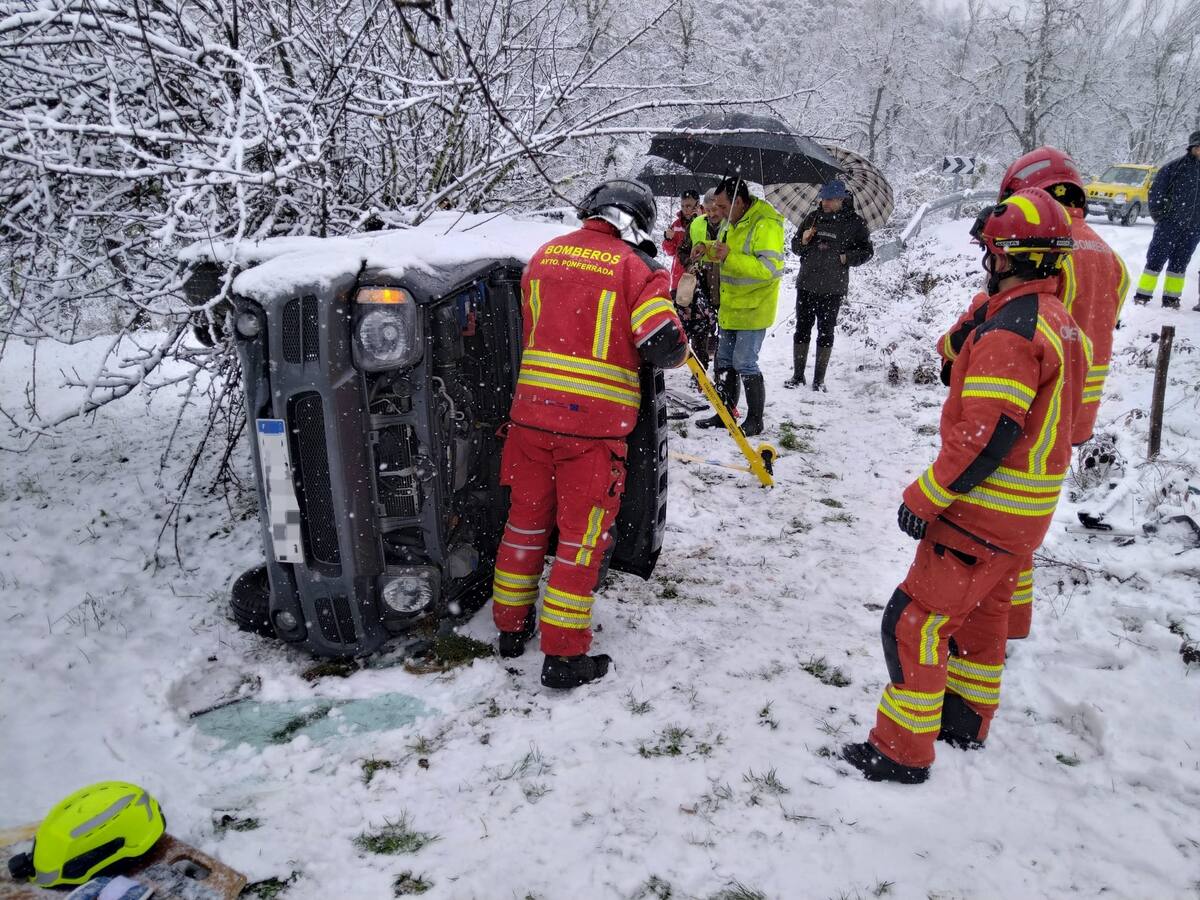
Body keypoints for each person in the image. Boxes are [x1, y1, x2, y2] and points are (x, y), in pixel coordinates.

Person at [842, 187, 1091, 783]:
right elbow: (949, 356)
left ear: (1005, 256)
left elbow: (986, 435)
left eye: (991, 250)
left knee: (913, 621)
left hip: (983, 512)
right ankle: (964, 720)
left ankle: (900, 751)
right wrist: (978, 316)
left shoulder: (1011, 334)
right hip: (1027, 516)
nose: (986, 257)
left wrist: (925, 497)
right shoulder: (1055, 319)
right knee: (981, 622)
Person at [491, 179, 687, 689]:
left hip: (530, 421)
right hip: (592, 433)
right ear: (640, 223)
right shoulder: (636, 269)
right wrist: (670, 303)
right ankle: (563, 654)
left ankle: (510, 630)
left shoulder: (543, 255)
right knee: (581, 542)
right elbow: (664, 346)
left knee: (524, 526)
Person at [937, 146, 1128, 640]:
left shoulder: (1042, 253)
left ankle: (984, 625)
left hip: (1025, 410)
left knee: (993, 526)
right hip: (1072, 415)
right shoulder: (1109, 256)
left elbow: (1019, 326)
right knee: (1022, 530)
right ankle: (1009, 624)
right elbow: (1100, 325)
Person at [690, 176, 786, 437]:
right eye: (715, 207)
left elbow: (768, 268)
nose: (717, 212)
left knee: (745, 362)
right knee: (724, 362)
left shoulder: (766, 224)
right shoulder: (730, 222)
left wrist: (730, 257)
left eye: (722, 207)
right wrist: (705, 248)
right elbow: (723, 251)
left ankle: (755, 420)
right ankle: (725, 414)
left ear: (739, 202)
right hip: (730, 304)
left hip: (754, 307)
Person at [786, 181, 874, 391]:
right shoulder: (812, 218)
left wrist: (846, 257)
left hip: (833, 289)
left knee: (826, 332)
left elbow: (867, 251)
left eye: (829, 199)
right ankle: (798, 376)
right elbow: (795, 247)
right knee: (802, 329)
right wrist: (804, 241)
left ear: (841, 199)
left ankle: (819, 381)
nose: (824, 202)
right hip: (807, 283)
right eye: (823, 198)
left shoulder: (855, 223)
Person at [1132, 130, 1200, 309]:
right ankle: (1142, 296)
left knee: (1180, 264)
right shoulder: (1174, 168)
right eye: (1198, 147)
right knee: (1155, 259)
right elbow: (1156, 193)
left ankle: (1171, 300)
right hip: (1169, 224)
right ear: (1192, 147)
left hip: (1194, 227)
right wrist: (1161, 217)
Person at [678, 189, 724, 372]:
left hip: (725, 288)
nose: (712, 214)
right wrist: (690, 263)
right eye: (708, 209)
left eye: (716, 210)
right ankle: (699, 374)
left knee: (724, 336)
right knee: (699, 334)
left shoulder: (732, 227)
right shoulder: (696, 225)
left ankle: (721, 374)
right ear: (703, 208)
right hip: (700, 288)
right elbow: (682, 250)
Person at [663, 190, 700, 294]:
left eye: (688, 206)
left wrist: (698, 222)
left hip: (699, 275)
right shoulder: (676, 225)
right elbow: (670, 252)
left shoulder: (707, 221)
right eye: (682, 206)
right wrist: (668, 239)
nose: (685, 209)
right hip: (678, 277)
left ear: (697, 204)